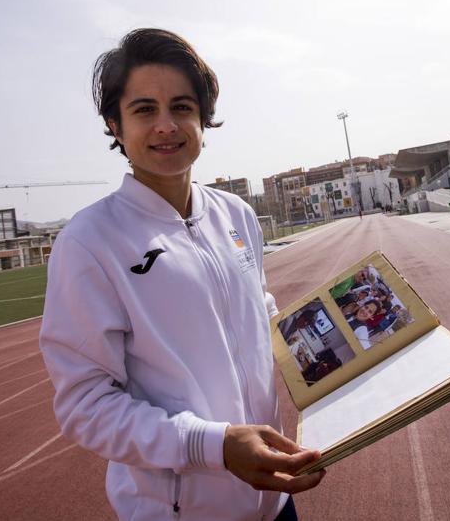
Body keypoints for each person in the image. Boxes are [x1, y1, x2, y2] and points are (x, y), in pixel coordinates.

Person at [39, 29, 324, 521]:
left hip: (276, 500)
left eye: (182, 107)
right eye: (144, 110)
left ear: (202, 118)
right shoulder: (89, 242)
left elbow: (262, 317)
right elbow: (85, 405)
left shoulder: (237, 215)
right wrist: (213, 446)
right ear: (115, 125)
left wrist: (346, 357)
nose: (166, 125)